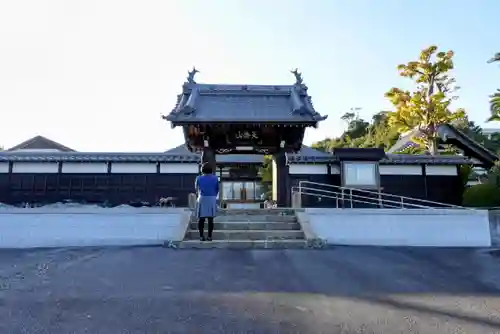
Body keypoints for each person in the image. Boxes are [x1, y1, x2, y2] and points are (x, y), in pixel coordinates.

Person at [195, 163, 219, 241]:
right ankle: (209, 236)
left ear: (202, 170)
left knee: (201, 218)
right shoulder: (215, 178)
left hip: (202, 198)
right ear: (211, 170)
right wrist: (213, 195)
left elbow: (196, 189)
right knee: (210, 219)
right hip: (212, 198)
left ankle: (201, 236)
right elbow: (217, 189)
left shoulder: (198, 178)